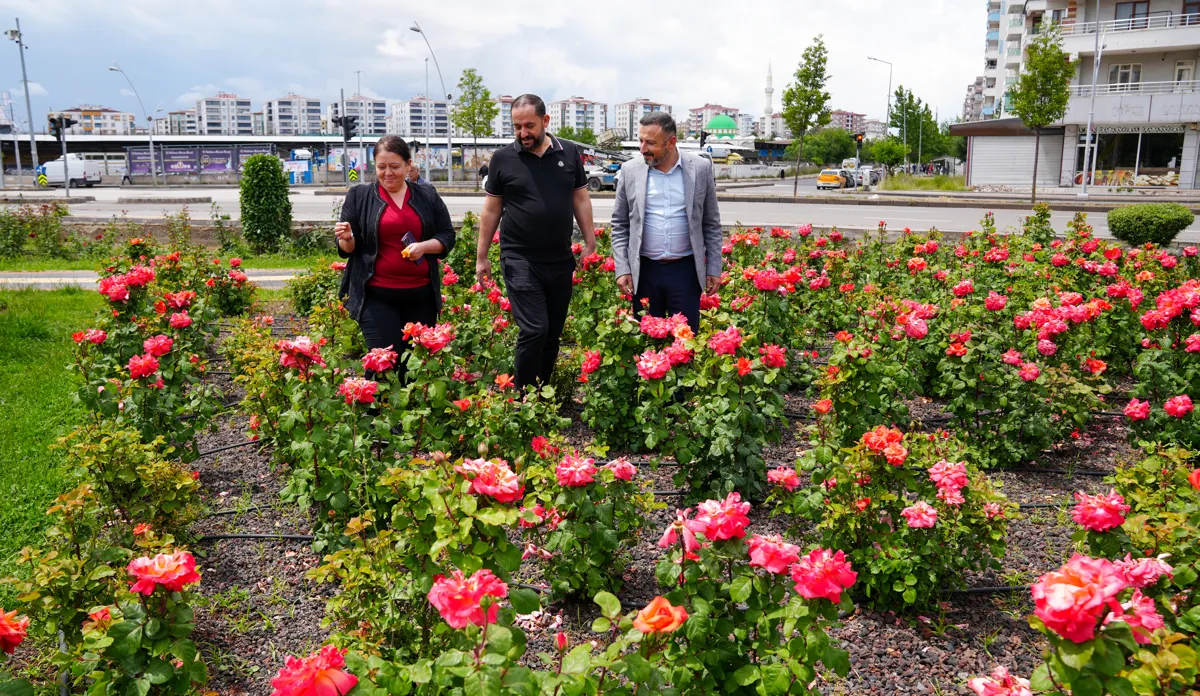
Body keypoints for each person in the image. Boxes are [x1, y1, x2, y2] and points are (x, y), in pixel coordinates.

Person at [477, 93, 595, 389]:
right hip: (520, 258)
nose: (523, 134)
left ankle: (541, 394)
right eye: (517, 127)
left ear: (545, 121)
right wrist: (482, 256)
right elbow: (492, 208)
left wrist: (590, 242)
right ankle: (521, 397)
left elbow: (580, 198)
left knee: (552, 332)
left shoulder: (568, 153)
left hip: (559, 258)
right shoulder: (503, 158)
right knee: (534, 329)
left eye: (529, 126)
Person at [335, 135, 456, 382]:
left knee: (415, 366)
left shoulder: (427, 194)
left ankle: (409, 419)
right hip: (377, 295)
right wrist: (347, 237)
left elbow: (447, 235)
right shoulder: (359, 196)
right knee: (384, 361)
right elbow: (348, 248)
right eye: (381, 167)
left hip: (421, 296)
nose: (387, 173)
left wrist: (423, 247)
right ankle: (379, 417)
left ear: (408, 165)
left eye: (395, 166)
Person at [610, 111, 722, 334]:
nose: (643, 149)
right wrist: (622, 268)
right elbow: (620, 224)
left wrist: (714, 268)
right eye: (640, 141)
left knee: (687, 342)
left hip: (685, 272)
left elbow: (711, 223)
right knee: (648, 345)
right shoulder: (630, 170)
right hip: (645, 272)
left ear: (671, 143)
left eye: (650, 143)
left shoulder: (699, 168)